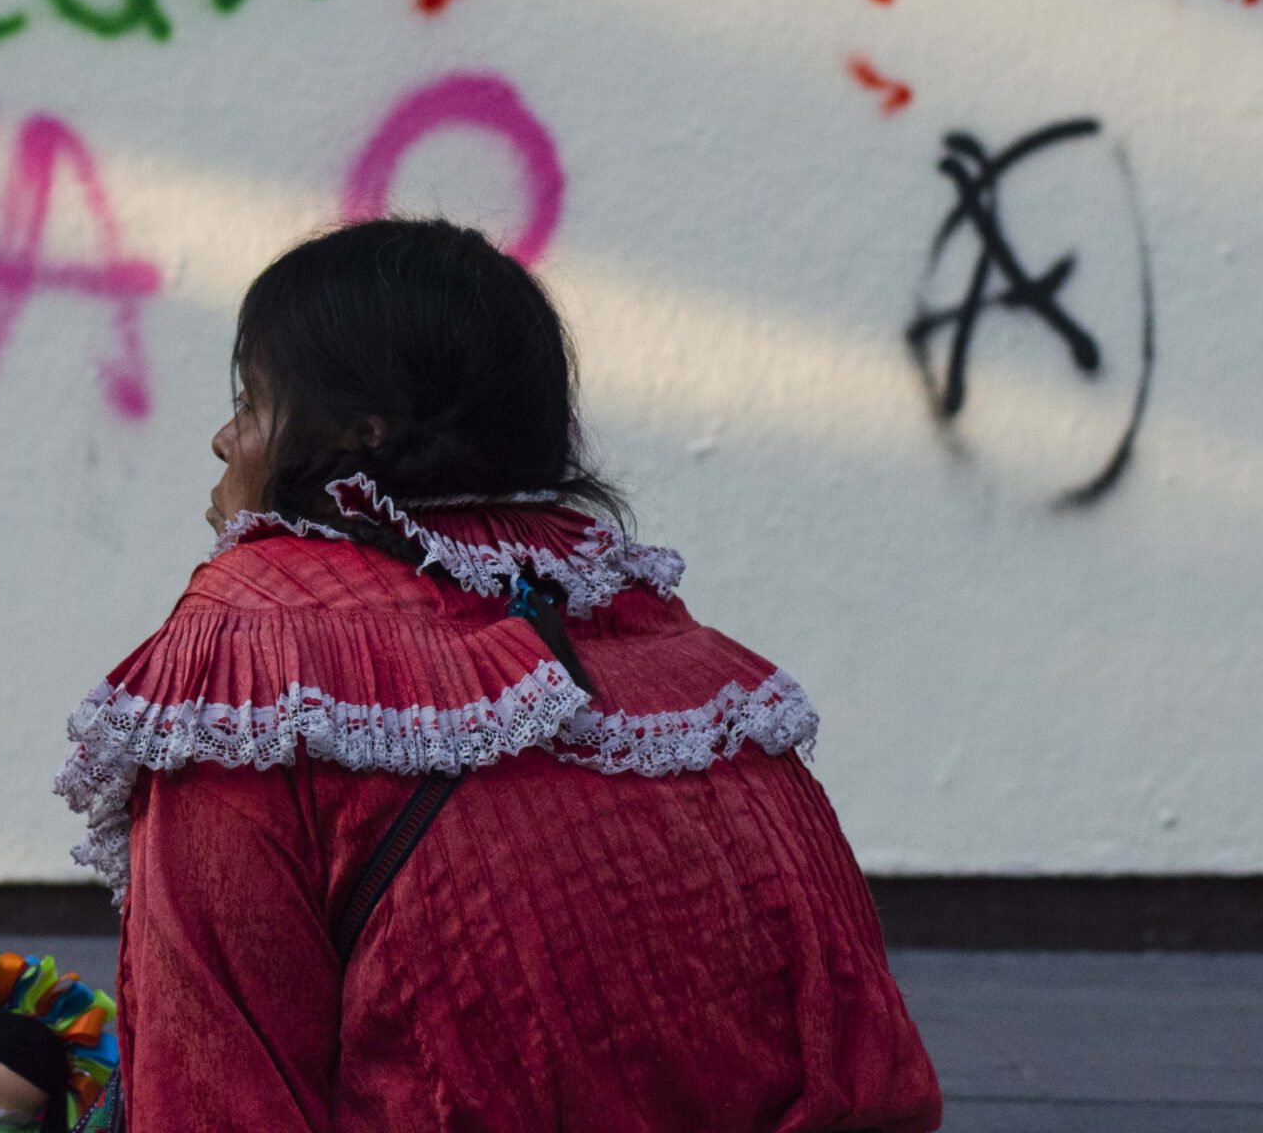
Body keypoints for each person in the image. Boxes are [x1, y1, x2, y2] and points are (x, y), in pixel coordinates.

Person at [55, 219, 942, 1132]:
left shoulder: (253, 666)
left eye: (254, 401)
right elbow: (874, 1074)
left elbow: (215, 1087)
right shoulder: (688, 664)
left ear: (360, 429)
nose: (223, 439)